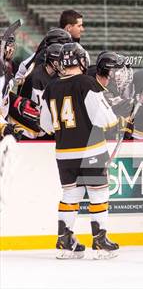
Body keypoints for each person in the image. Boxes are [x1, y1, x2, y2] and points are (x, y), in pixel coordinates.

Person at [39, 42, 119, 260]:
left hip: (63, 154)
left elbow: (45, 125)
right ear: (81, 60)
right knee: (98, 193)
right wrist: (121, 119)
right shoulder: (87, 83)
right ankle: (100, 241)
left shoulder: (51, 88)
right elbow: (105, 119)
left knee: (70, 195)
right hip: (90, 150)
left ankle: (65, 242)